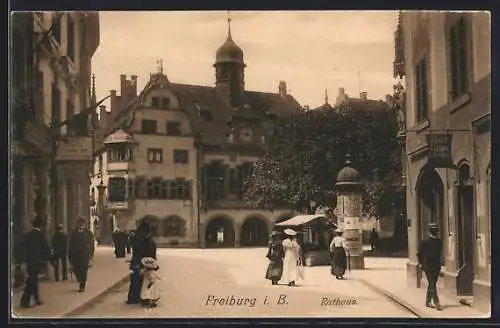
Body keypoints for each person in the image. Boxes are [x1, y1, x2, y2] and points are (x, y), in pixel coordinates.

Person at [20, 215, 52, 308]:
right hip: (36, 262)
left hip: (29, 262)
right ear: (41, 226)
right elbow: (45, 249)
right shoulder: (40, 236)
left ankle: (35, 299)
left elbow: (22, 247)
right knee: (31, 281)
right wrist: (51, 259)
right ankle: (25, 302)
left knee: (32, 281)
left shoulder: (28, 235)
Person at [127, 217, 157, 305]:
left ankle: (136, 297)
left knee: (137, 280)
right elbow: (150, 252)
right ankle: (138, 298)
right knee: (139, 280)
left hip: (140, 262)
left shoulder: (142, 238)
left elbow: (134, 247)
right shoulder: (146, 239)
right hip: (142, 262)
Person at [417, 222, 443, 311]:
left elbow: (439, 254)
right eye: (433, 230)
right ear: (430, 231)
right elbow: (419, 254)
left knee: (432, 284)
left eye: (435, 230)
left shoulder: (439, 241)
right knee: (432, 284)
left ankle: (427, 301)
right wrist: (422, 264)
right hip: (428, 266)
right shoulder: (425, 242)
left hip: (436, 266)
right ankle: (437, 302)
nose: (434, 232)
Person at [68, 217, 92, 292]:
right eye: (79, 223)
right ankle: (79, 278)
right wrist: (70, 256)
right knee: (76, 269)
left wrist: (90, 256)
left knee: (84, 270)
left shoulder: (88, 233)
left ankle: (82, 286)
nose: (80, 225)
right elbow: (71, 244)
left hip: (85, 255)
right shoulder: (73, 233)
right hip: (76, 255)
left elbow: (91, 245)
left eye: (81, 223)